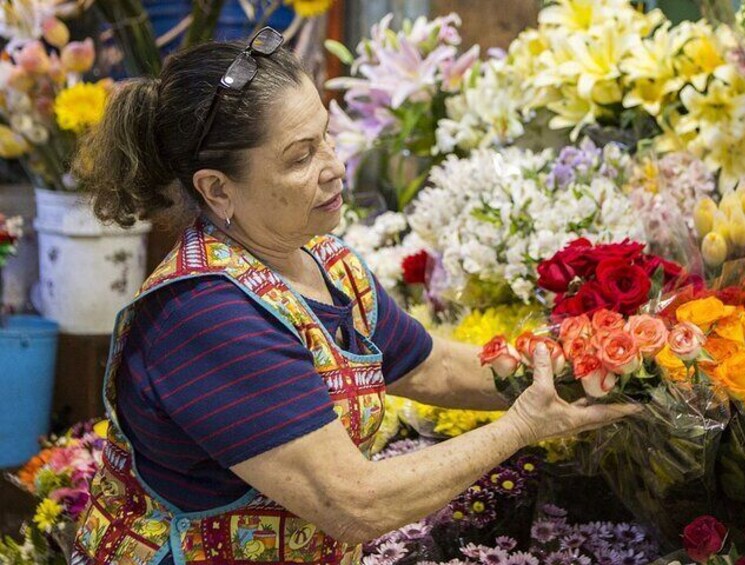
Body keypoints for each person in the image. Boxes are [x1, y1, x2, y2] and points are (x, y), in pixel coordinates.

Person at [70, 27, 636, 565]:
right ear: (218, 189)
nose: (335, 167)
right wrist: (521, 427)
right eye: (300, 157)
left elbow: (431, 365)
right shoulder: (205, 314)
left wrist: (578, 361)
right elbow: (355, 502)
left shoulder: (325, 262)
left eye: (327, 137)